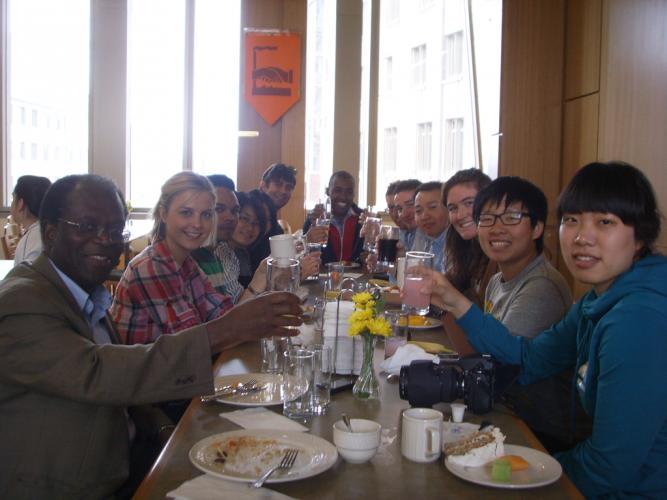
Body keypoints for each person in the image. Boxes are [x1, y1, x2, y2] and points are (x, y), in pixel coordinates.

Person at [0, 174, 302, 499]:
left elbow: (121, 391)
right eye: (87, 226)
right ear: (51, 231)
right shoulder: (22, 302)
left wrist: (161, 428)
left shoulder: (86, 294)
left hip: (134, 445)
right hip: (67, 484)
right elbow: (98, 372)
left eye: (115, 230)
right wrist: (226, 329)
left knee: (273, 457)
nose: (104, 239)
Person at [429, 161, 667, 497]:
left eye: (605, 222)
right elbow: (526, 360)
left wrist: (528, 476)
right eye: (572, 221)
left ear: (640, 235)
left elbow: (610, 467)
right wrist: (455, 302)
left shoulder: (639, 319)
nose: (582, 237)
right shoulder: (595, 302)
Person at [431, 176, 575, 450]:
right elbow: (480, 352)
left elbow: (500, 366)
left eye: (511, 217)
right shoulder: (498, 280)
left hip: (538, 430)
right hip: (505, 410)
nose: (496, 229)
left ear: (537, 228)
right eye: (487, 218)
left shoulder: (542, 286)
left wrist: (449, 304)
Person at [110, 172, 233, 345]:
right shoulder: (150, 267)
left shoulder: (187, 263)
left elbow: (223, 313)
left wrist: (259, 282)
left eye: (206, 214)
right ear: (163, 214)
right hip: (142, 371)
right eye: (186, 213)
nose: (197, 224)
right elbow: (190, 341)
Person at [442, 168, 495, 305]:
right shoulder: (461, 245)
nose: (460, 215)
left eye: (469, 203)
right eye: (453, 208)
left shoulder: (499, 254)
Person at [191, 175, 245, 303]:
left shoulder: (212, 257)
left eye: (235, 210)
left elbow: (221, 313)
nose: (230, 217)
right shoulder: (189, 258)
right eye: (219, 209)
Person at [302, 171, 363, 265]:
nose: (343, 197)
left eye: (349, 192)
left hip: (356, 277)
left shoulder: (362, 220)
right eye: (338, 190)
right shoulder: (315, 219)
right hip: (324, 277)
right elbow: (303, 258)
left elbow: (368, 257)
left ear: (354, 194)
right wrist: (308, 241)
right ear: (327, 191)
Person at [251, 163, 297, 267]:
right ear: (263, 186)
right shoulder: (250, 221)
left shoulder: (277, 229)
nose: (283, 191)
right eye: (278, 184)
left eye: (288, 187)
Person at [9, 174, 51, 265]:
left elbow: (22, 278)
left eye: (13, 198)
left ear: (20, 203)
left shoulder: (32, 239)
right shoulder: (49, 231)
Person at [412, 181, 449, 272]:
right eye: (418, 211)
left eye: (432, 207)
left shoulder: (458, 243)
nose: (424, 216)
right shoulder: (421, 236)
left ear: (448, 208)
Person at [393, 179, 424, 252]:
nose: (404, 214)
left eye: (410, 204)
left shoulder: (433, 236)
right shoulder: (405, 233)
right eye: (400, 209)